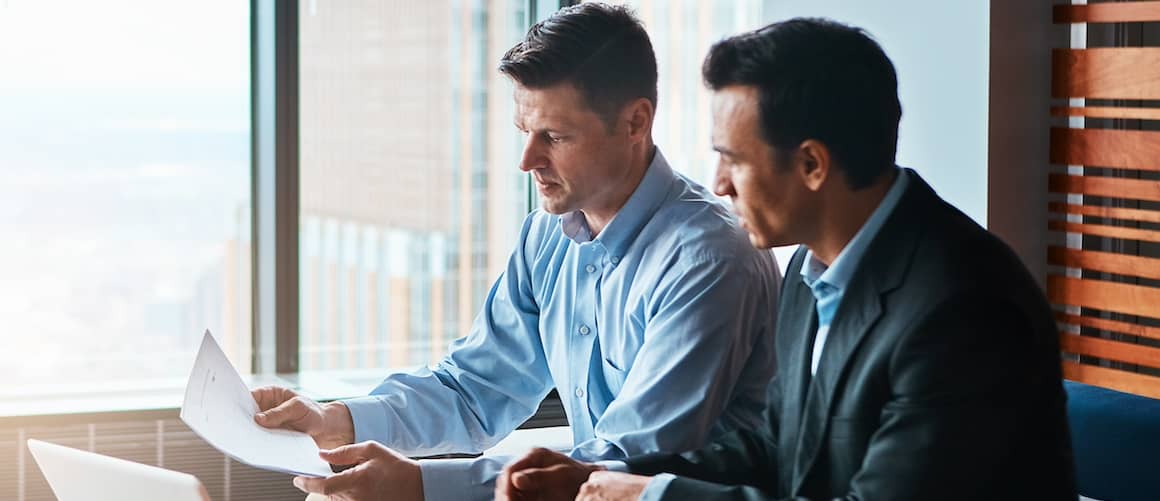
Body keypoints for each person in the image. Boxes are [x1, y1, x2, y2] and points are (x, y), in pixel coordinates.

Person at [496, 17, 1077, 501]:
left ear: (813, 166)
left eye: (734, 160)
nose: (718, 185)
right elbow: (775, 446)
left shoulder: (962, 310)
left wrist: (648, 497)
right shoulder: (812, 270)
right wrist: (603, 479)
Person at [254, 3, 781, 500]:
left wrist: (421, 486)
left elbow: (629, 462)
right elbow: (473, 388)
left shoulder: (709, 259)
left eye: (554, 136)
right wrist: (332, 421)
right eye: (524, 131)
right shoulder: (546, 235)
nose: (527, 161)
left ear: (636, 123)